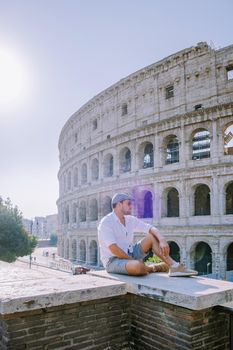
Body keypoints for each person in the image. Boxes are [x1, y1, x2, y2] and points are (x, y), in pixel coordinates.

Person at [98, 193, 198, 277]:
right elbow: (113, 248)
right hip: (113, 261)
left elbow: (149, 228)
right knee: (137, 266)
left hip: (129, 252)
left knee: (151, 237)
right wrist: (131, 261)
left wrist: (162, 239)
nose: (131, 206)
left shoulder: (129, 219)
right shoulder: (106, 222)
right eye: (128, 203)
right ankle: (153, 267)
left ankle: (174, 266)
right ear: (119, 205)